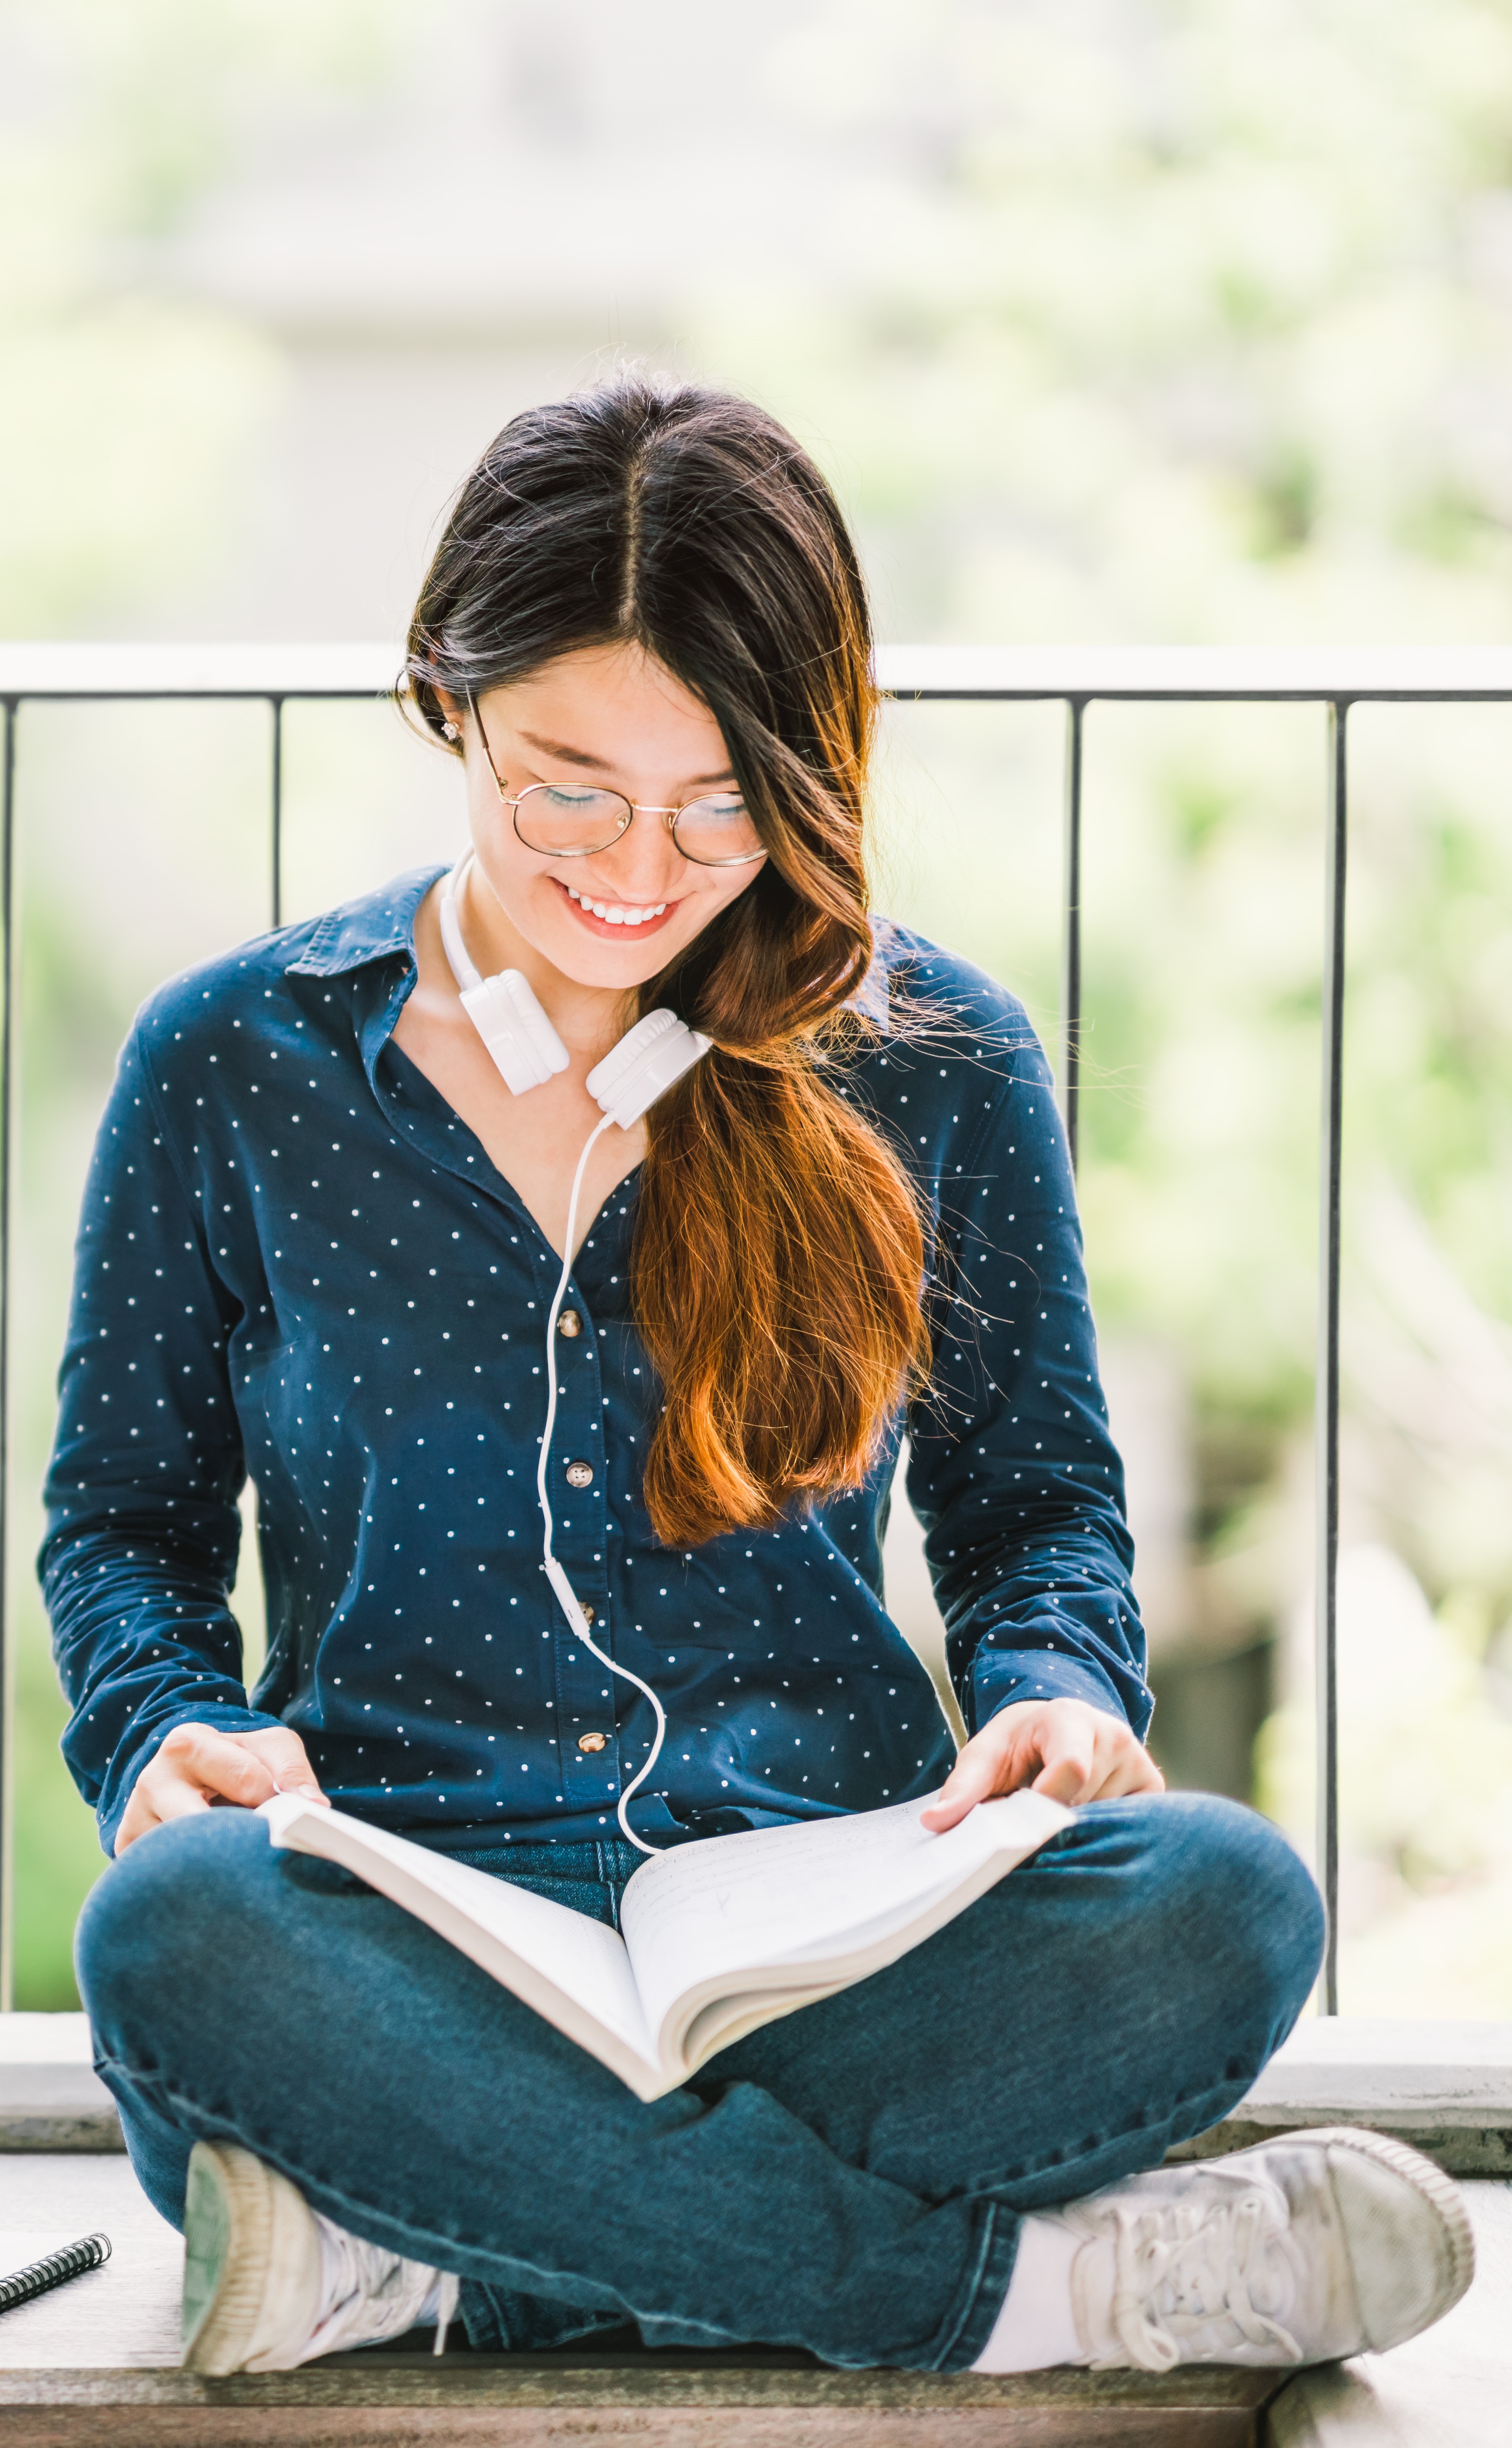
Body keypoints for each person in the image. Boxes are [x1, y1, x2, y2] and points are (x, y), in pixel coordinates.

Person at [47, 375, 1469, 2379]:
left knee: (1227, 1904)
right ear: (445, 699)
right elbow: (122, 1525)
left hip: (829, 1925)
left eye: (723, 802)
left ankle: (432, 2254)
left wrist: (1056, 1696)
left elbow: (1034, 1507)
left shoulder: (935, 1060)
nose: (639, 867)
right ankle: (1034, 2292)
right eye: (568, 785)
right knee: (173, 1940)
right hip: (405, 1944)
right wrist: (164, 1731)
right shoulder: (232, 1066)